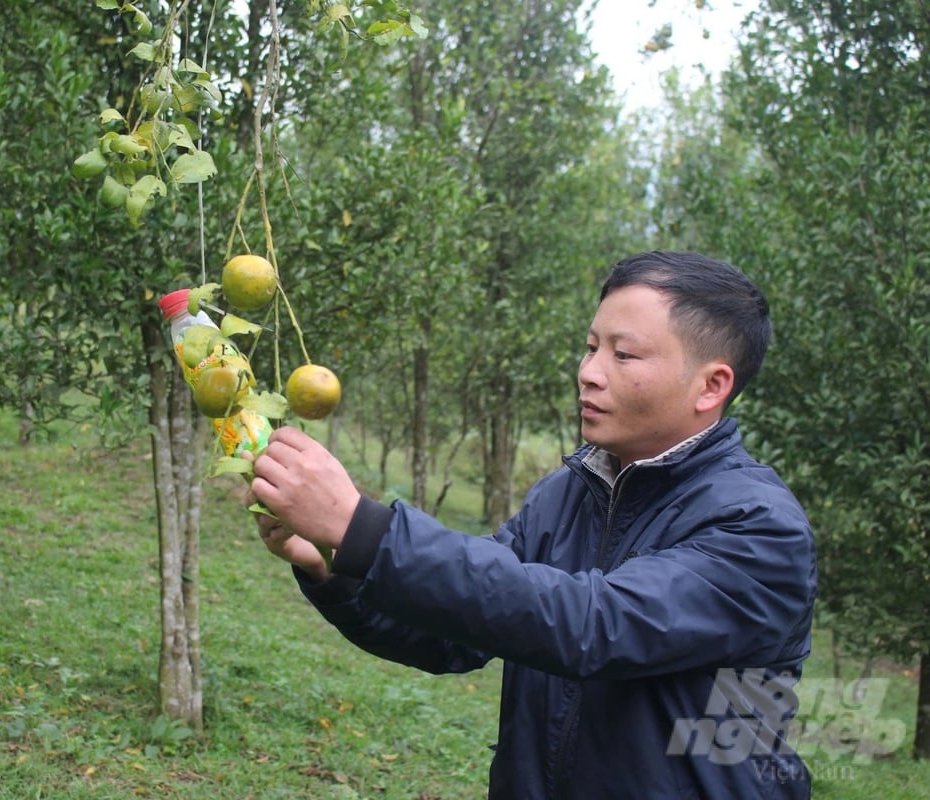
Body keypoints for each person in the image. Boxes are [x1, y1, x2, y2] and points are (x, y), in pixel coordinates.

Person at [248, 251, 817, 800]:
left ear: (711, 386)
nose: (589, 373)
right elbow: (454, 630)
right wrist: (333, 566)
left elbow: (592, 624)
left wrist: (363, 529)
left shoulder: (759, 528)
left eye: (625, 356)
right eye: (592, 347)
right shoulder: (567, 494)